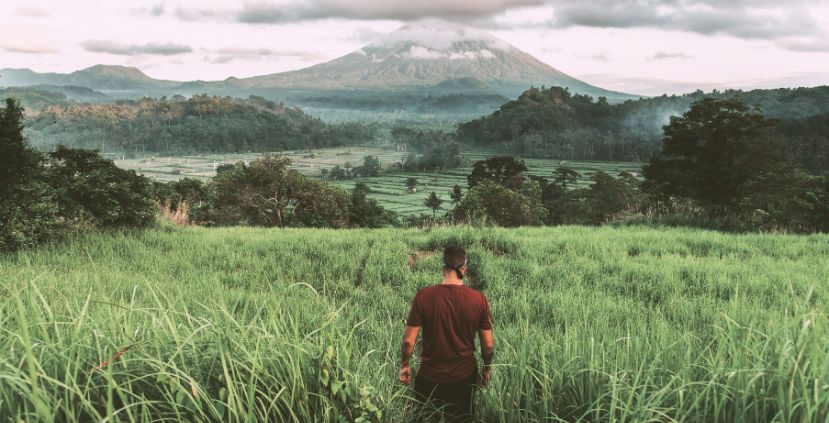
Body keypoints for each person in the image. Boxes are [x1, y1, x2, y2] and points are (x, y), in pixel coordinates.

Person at [399, 246, 495, 422]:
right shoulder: (479, 299)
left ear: (443, 268)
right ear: (464, 269)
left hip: (429, 379)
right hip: (464, 380)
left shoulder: (424, 296)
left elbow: (407, 342)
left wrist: (405, 365)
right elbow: (488, 345)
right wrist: (486, 369)